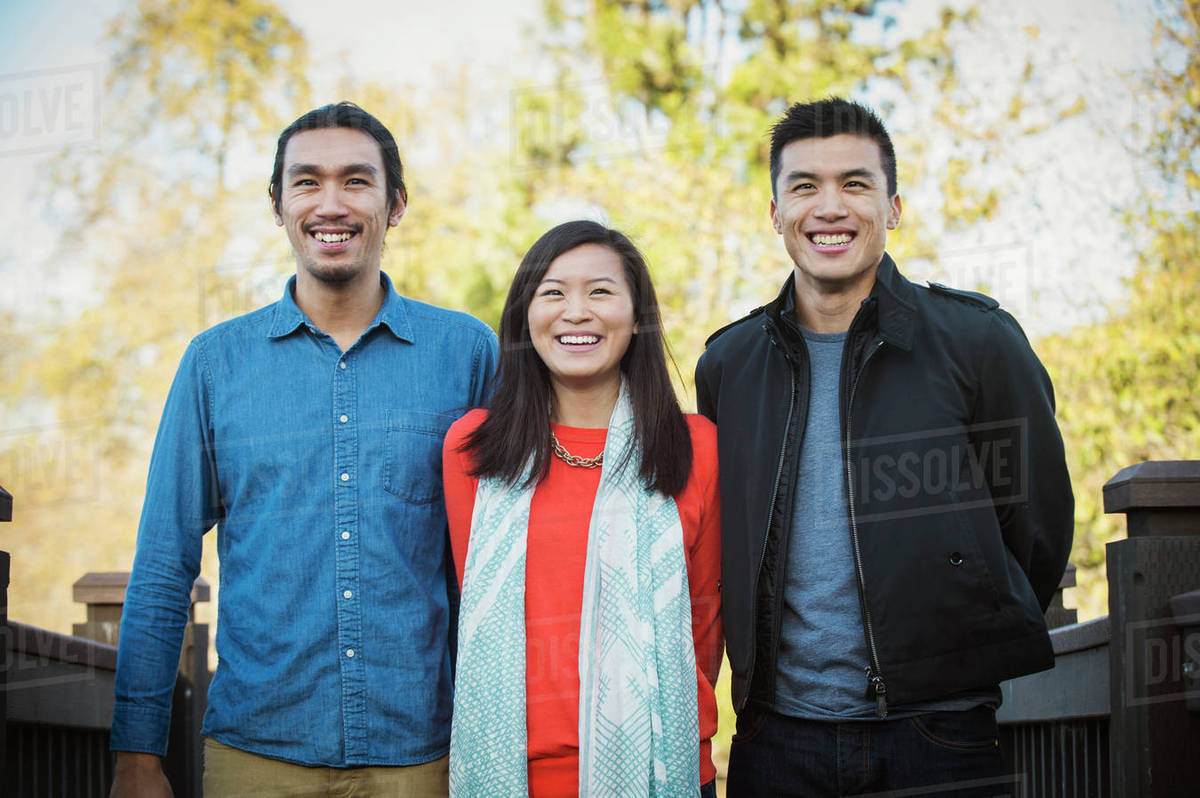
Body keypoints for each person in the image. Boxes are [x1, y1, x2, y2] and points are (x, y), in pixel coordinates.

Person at [109, 102, 498, 797]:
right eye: (307, 182)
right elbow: (165, 563)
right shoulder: (214, 365)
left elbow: (505, 560)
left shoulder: (465, 354)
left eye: (356, 181)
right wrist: (137, 755)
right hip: (256, 754)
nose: (331, 203)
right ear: (277, 204)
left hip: (425, 755)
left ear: (395, 203)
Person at [694, 98, 1074, 796]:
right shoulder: (728, 364)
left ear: (893, 207)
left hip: (942, 733)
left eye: (856, 184)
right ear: (775, 214)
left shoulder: (978, 342)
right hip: (775, 741)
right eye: (804, 186)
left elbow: (1037, 529)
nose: (829, 207)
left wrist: (955, 642)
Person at [441, 220, 722, 797]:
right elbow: (470, 611)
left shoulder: (696, 447)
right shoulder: (473, 450)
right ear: (525, 316)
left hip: (660, 768)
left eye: (600, 291)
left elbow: (705, 624)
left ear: (637, 314)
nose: (576, 312)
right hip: (511, 774)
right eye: (553, 292)